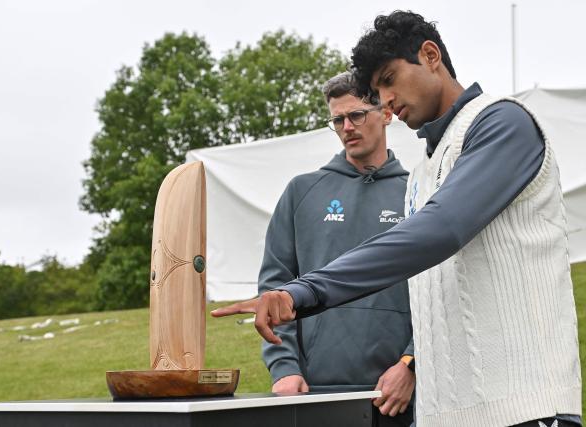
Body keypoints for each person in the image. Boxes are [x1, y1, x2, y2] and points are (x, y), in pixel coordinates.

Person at [213, 11, 582, 427]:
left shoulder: (502, 122)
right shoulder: (424, 169)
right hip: (444, 415)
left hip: (524, 409)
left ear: (430, 56)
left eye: (389, 79)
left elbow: (439, 230)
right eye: (376, 90)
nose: (385, 99)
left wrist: (305, 292)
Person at [259, 71, 414, 426]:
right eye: (338, 119)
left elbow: (442, 291)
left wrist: (411, 365)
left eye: (357, 115)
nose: (348, 126)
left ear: (386, 114)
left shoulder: (417, 193)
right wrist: (284, 368)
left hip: (398, 395)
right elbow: (275, 288)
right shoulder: (302, 192)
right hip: (315, 393)